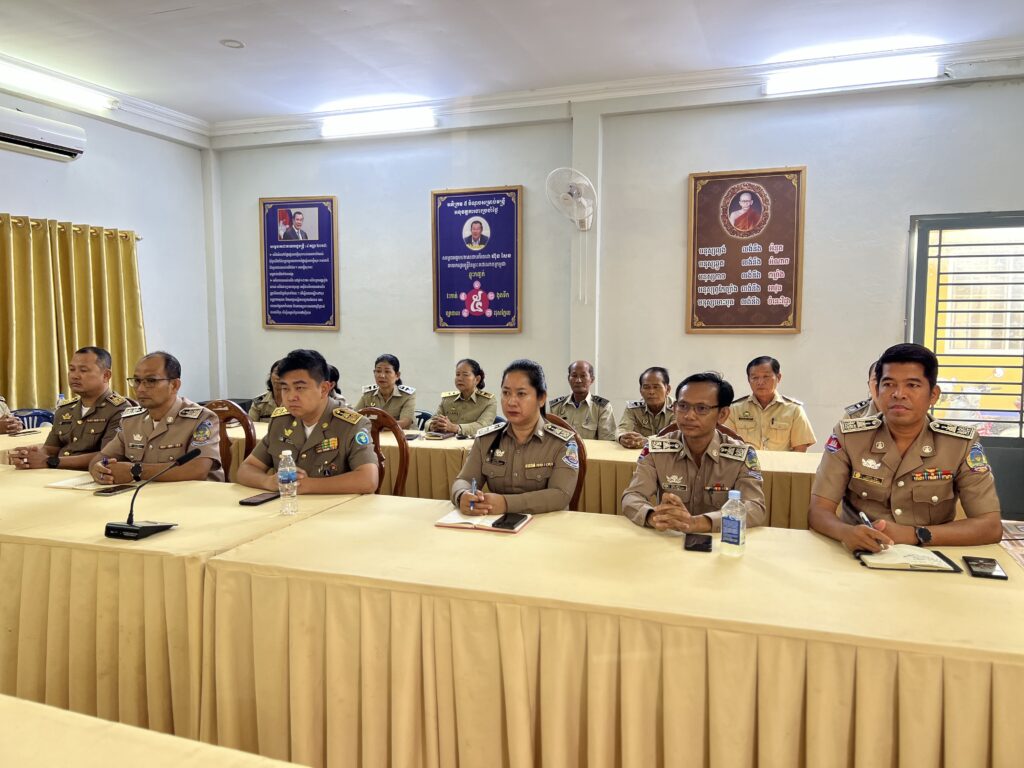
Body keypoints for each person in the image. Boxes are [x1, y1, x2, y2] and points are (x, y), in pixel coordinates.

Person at [809, 343, 1002, 552]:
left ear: (933, 394)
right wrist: (845, 532)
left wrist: (915, 534)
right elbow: (818, 511)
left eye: (912, 385)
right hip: (861, 552)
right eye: (889, 384)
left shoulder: (959, 444)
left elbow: (990, 527)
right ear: (877, 390)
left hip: (931, 554)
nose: (898, 394)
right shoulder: (849, 437)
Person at [622, 371, 765, 532]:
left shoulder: (742, 455)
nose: (689, 416)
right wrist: (653, 516)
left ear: (722, 414)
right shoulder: (656, 449)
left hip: (719, 539)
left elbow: (755, 508)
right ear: (674, 408)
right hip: (670, 537)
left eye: (701, 408)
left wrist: (699, 523)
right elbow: (632, 496)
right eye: (683, 406)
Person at [237, 349, 378, 494]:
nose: (291, 397)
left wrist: (308, 485)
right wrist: (268, 481)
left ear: (324, 389)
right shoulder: (281, 421)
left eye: (300, 388)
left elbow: (368, 480)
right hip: (288, 505)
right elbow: (246, 469)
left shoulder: (350, 425)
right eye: (285, 388)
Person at [452, 359, 580, 515]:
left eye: (521, 394)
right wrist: (462, 495)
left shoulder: (562, 443)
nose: (511, 402)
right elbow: (464, 480)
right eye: (506, 393)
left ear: (541, 398)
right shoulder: (486, 439)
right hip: (495, 523)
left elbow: (560, 495)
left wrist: (506, 504)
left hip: (545, 524)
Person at [89, 351, 223, 483]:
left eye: (151, 381)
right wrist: (99, 469)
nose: (140, 389)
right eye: (137, 381)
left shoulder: (202, 418)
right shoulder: (131, 420)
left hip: (193, 495)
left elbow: (197, 470)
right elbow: (101, 458)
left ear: (174, 385)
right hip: (144, 494)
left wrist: (136, 471)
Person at [9, 346, 128, 470]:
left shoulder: (119, 410)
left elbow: (108, 456)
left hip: (91, 475)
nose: (74, 376)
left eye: (83, 370)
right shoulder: (65, 409)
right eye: (72, 369)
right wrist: (30, 455)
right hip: (58, 473)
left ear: (106, 375)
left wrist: (50, 461)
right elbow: (51, 449)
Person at [725, 356, 815, 452]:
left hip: (781, 462)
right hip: (745, 462)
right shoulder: (734, 409)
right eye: (755, 377)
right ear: (748, 380)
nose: (760, 382)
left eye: (766, 376)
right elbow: (728, 445)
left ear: (778, 377)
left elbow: (800, 449)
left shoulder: (794, 410)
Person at [548, 360, 616, 440]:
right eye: (574, 376)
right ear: (568, 379)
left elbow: (607, 442)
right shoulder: (556, 407)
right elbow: (549, 439)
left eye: (583, 376)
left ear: (592, 379)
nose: (578, 380)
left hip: (591, 449)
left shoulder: (602, 408)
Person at [428, 359, 497, 437]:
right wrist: (433, 426)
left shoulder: (488, 401)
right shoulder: (447, 400)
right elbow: (430, 421)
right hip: (446, 442)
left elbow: (483, 426)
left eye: (465, 375)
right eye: (457, 374)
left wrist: (455, 428)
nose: (459, 378)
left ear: (477, 379)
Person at [616, 367, 674, 448]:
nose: (651, 392)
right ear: (640, 391)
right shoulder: (633, 408)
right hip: (638, 454)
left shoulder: (678, 408)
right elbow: (622, 428)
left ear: (668, 389)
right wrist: (623, 437)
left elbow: (676, 436)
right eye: (646, 387)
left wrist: (648, 441)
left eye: (656, 387)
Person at [355, 354, 416, 429]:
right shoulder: (368, 394)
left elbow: (405, 422)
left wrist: (376, 426)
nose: (382, 375)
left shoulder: (407, 395)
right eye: (378, 371)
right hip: (376, 434)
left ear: (397, 375)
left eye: (387, 372)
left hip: (403, 435)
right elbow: (355, 416)